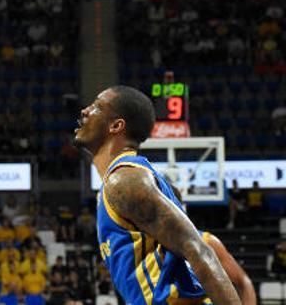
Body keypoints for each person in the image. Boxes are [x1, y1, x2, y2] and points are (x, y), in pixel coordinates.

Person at [74, 86, 240, 303]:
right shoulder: (124, 179)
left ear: (116, 126)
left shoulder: (125, 180)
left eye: (97, 106)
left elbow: (199, 249)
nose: (85, 110)